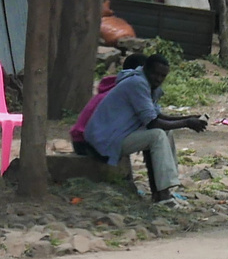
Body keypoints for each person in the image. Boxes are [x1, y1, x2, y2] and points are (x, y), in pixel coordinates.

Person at [83, 55, 207, 202]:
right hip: (105, 140)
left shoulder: (146, 84)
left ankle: (162, 191)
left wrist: (188, 118)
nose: (158, 79)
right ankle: (163, 195)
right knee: (156, 135)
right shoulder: (137, 83)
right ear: (146, 69)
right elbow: (153, 123)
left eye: (162, 76)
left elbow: (157, 116)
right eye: (156, 74)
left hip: (118, 134)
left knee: (166, 131)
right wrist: (187, 123)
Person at [71, 54, 147, 155]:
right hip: (87, 142)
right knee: (155, 134)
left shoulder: (117, 85)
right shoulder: (127, 91)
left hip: (81, 139)